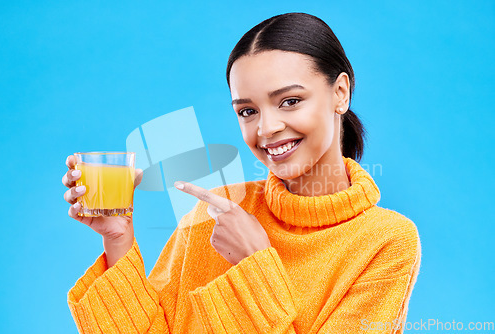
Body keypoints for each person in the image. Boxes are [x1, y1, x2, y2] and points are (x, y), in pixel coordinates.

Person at [63, 12, 421, 334]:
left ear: (340, 93)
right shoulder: (215, 211)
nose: (266, 128)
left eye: (290, 101)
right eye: (247, 111)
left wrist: (254, 264)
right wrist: (118, 240)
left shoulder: (386, 242)